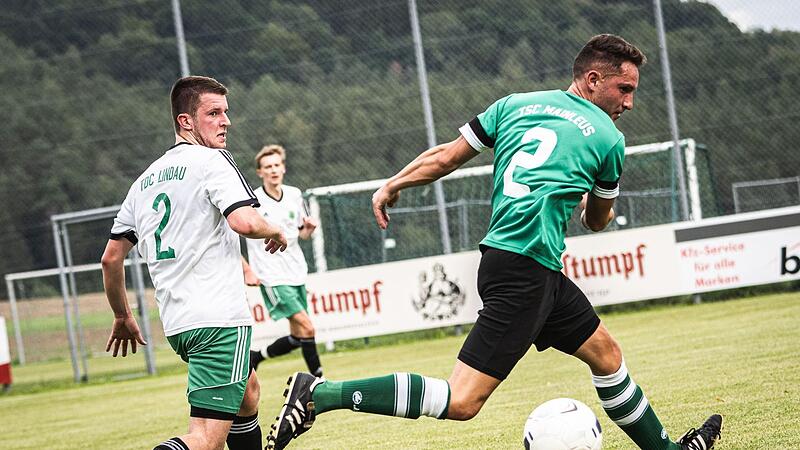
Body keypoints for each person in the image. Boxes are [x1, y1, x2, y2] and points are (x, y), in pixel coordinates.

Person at [265, 35, 723, 450]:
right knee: (463, 400)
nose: (629, 102)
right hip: (526, 271)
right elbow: (597, 221)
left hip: (522, 266)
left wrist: (392, 184)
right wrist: (584, 200)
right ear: (593, 79)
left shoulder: (514, 104)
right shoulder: (608, 138)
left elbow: (445, 157)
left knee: (606, 355)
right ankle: (321, 394)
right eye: (624, 89)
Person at [101, 75, 288, 450]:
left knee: (247, 392)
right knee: (205, 439)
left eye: (226, 112)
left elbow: (110, 258)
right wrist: (276, 229)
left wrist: (122, 315)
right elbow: (244, 221)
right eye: (214, 113)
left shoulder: (144, 182)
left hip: (180, 324)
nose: (226, 121)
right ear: (185, 121)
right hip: (218, 320)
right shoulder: (212, 161)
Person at [242, 144, 323, 377]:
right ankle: (320, 382)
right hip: (271, 275)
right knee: (308, 327)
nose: (273, 170)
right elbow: (238, 233)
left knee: (299, 335)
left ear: (284, 168)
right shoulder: (253, 200)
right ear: (260, 172)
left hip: (295, 271)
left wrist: (308, 230)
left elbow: (301, 235)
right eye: (268, 167)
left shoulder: (295, 194)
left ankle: (256, 356)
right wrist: (247, 269)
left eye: (277, 165)